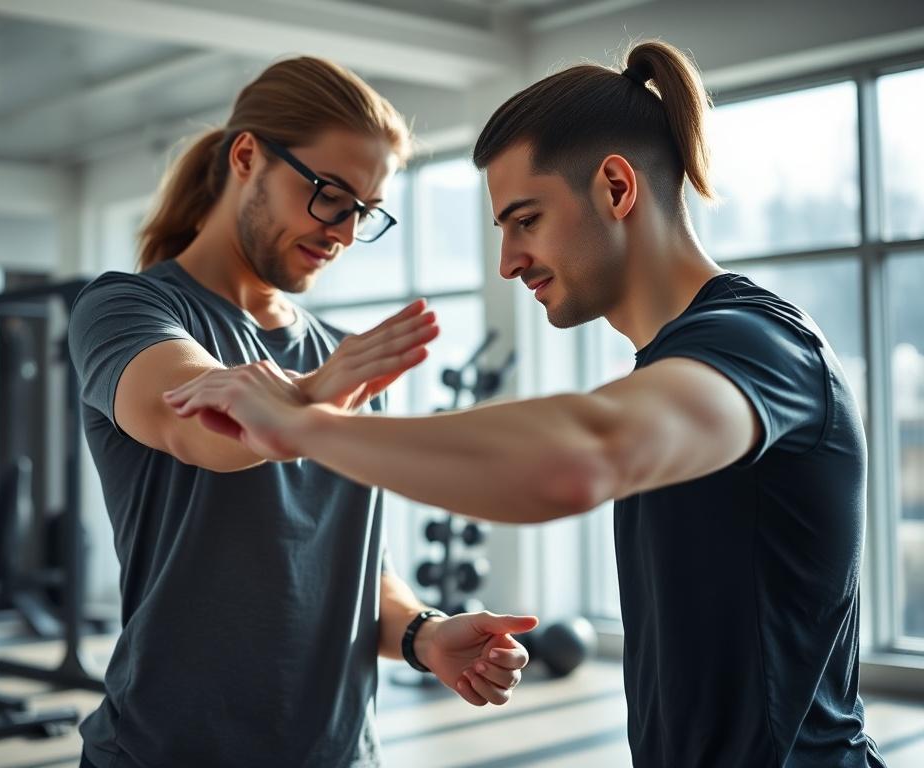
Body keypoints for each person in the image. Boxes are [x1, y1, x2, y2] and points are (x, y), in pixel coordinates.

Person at [165, 41, 888, 767]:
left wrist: (302, 424)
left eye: (526, 220)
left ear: (614, 187)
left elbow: (581, 454)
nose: (508, 262)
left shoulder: (760, 345)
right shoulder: (681, 359)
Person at [68, 56, 538, 768]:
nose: (343, 232)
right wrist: (311, 399)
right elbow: (195, 424)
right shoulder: (128, 310)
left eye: (365, 212)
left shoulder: (342, 360)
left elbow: (353, 568)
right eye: (329, 195)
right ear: (248, 156)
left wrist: (424, 634)